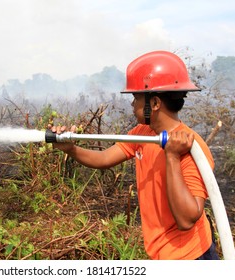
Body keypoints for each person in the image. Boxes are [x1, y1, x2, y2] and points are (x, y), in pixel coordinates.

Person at [49, 50, 220, 260]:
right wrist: (71, 149)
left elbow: (187, 220)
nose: (132, 105)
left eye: (136, 98)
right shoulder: (144, 133)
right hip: (160, 253)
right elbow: (104, 159)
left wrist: (172, 156)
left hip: (190, 256)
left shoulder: (191, 148)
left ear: (155, 103)